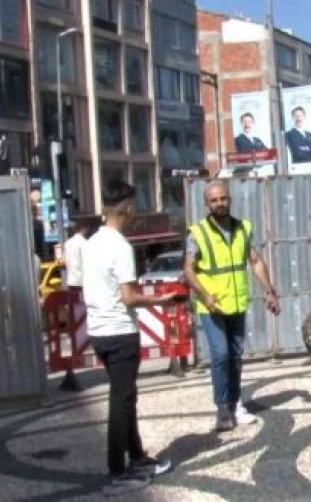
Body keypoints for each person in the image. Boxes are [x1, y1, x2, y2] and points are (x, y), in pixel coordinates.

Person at [83, 180, 185, 495]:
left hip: (98, 331)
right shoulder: (121, 247)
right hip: (120, 332)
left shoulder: (92, 243)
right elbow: (128, 297)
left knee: (126, 396)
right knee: (121, 400)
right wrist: (161, 300)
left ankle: (137, 457)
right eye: (134, 206)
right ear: (128, 209)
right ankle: (118, 470)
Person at [182, 180, 281, 432]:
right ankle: (222, 408)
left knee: (236, 357)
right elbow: (188, 270)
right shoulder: (198, 233)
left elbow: (255, 261)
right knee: (221, 354)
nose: (219, 204)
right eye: (213, 200)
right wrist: (204, 295)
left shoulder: (243, 228)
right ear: (207, 203)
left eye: (222, 199)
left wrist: (269, 291)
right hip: (212, 306)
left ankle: (236, 404)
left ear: (230, 199)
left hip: (236, 302)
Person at [63, 217, 90, 292]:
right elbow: (88, 262)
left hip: (71, 281)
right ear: (84, 228)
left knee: (74, 302)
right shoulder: (85, 243)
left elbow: (64, 261)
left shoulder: (68, 243)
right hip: (82, 281)